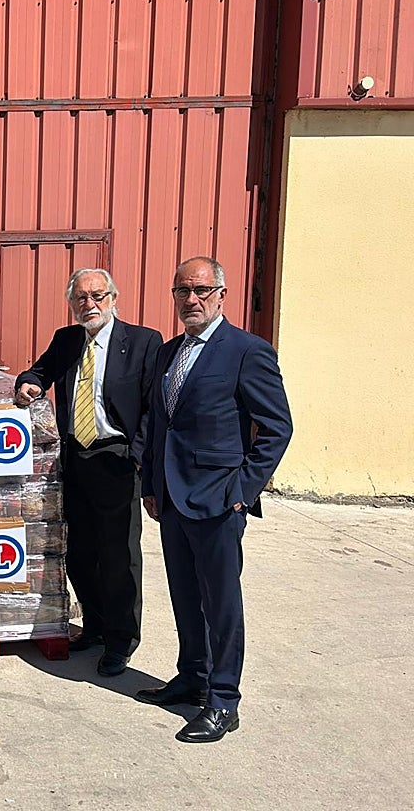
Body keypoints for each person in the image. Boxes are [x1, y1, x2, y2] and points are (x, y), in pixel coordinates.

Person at [137, 256, 293, 743]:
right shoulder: (169, 352)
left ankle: (224, 699)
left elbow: (276, 428)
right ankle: (192, 677)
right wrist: (150, 485)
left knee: (220, 602)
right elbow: (159, 424)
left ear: (222, 294)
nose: (192, 299)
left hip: (218, 501)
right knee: (184, 593)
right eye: (183, 290)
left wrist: (242, 491)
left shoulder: (247, 351)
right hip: (171, 497)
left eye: (202, 290)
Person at [15, 269, 162, 678]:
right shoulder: (66, 339)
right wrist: (27, 384)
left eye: (98, 296)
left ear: (114, 297)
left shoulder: (143, 342)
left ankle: (121, 640)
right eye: (80, 298)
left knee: (118, 557)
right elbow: (39, 373)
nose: (89, 304)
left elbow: (154, 407)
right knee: (79, 553)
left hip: (116, 458)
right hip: (75, 460)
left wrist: (136, 457)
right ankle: (95, 626)